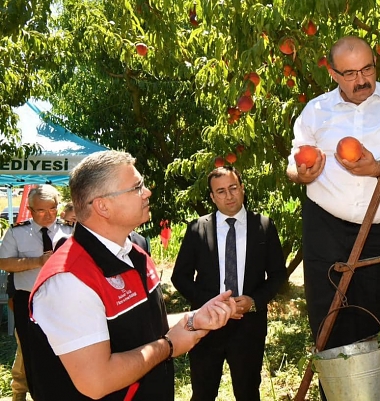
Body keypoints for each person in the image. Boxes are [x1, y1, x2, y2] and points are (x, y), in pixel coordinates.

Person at [27, 150, 236, 401]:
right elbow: (97, 381)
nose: (147, 192)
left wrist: (194, 318)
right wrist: (168, 346)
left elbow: (139, 325)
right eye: (137, 187)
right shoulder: (68, 280)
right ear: (103, 205)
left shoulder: (134, 254)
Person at [286, 35, 380, 356]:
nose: (361, 80)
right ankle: (333, 391)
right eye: (349, 73)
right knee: (326, 321)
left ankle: (365, 387)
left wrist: (379, 167)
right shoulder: (315, 110)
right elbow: (293, 164)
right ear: (333, 74)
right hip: (324, 227)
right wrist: (300, 173)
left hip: (377, 230)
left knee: (368, 319)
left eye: (367, 69)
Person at [172, 166, 287, 401]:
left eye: (233, 188)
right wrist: (212, 305)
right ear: (213, 197)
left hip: (249, 327)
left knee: (247, 393)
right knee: (203, 393)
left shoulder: (263, 226)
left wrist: (254, 301)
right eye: (221, 191)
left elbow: (278, 275)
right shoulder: (198, 229)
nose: (229, 195)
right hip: (207, 326)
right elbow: (179, 277)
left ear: (242, 189)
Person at [0, 184, 73, 400]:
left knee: (62, 348)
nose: (48, 214)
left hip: (62, 299)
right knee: (31, 351)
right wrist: (37, 261)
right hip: (29, 299)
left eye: (52, 208)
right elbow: (4, 263)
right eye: (41, 210)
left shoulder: (69, 231)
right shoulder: (17, 232)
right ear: (31, 210)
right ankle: (35, 393)